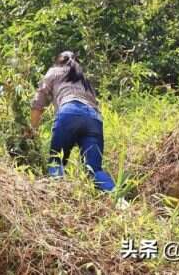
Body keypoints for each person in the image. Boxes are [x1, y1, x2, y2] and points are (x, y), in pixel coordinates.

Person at [28, 50, 115, 191]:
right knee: (94, 170)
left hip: (69, 113)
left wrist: (32, 131)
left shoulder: (54, 71)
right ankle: (120, 202)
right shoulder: (84, 78)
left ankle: (56, 200)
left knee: (57, 163)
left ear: (58, 61)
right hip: (94, 118)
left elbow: (38, 103)